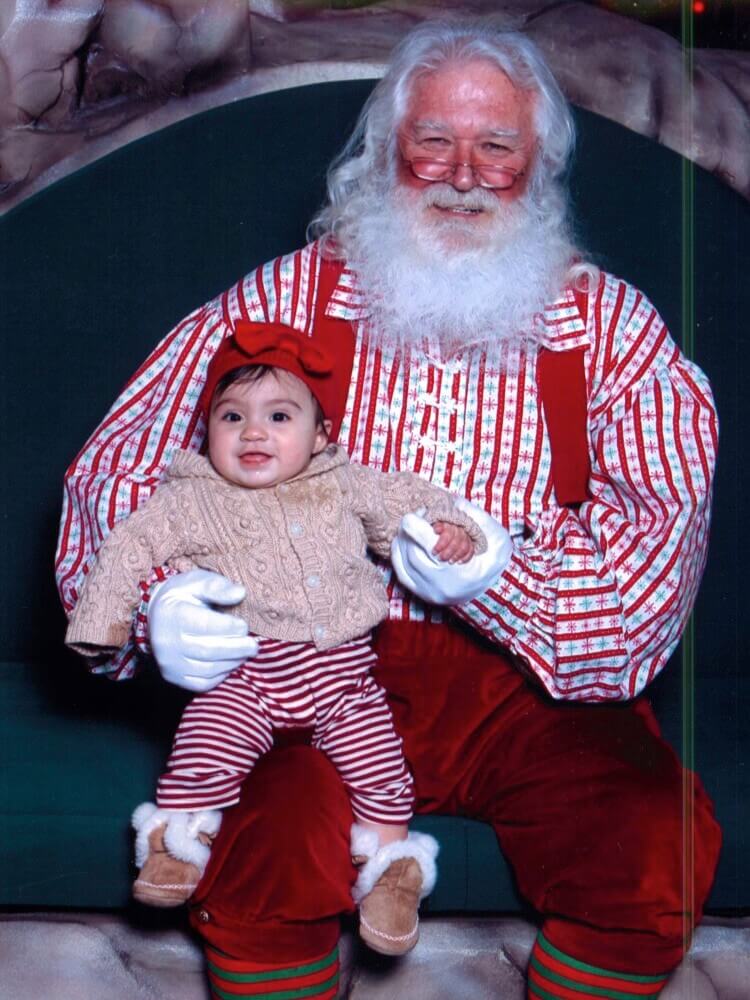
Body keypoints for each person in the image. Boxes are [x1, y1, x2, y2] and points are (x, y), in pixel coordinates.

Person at [56, 21, 722, 1000]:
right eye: (433, 142)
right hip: (312, 671)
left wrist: (500, 579)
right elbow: (122, 468)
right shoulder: (285, 299)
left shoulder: (614, 332)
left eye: (497, 146)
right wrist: (159, 603)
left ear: (538, 167)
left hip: (528, 698)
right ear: (385, 152)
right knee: (263, 850)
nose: (464, 175)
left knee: (650, 845)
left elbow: (647, 586)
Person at [65, 320, 493, 952]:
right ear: (207, 431)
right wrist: (102, 627)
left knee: (383, 771)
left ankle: (390, 871)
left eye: (279, 417)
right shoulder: (188, 500)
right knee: (203, 747)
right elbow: (126, 549)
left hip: (344, 678)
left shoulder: (345, 482)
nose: (253, 432)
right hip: (247, 675)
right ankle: (176, 843)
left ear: (320, 436)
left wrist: (454, 530)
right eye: (232, 417)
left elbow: (412, 499)